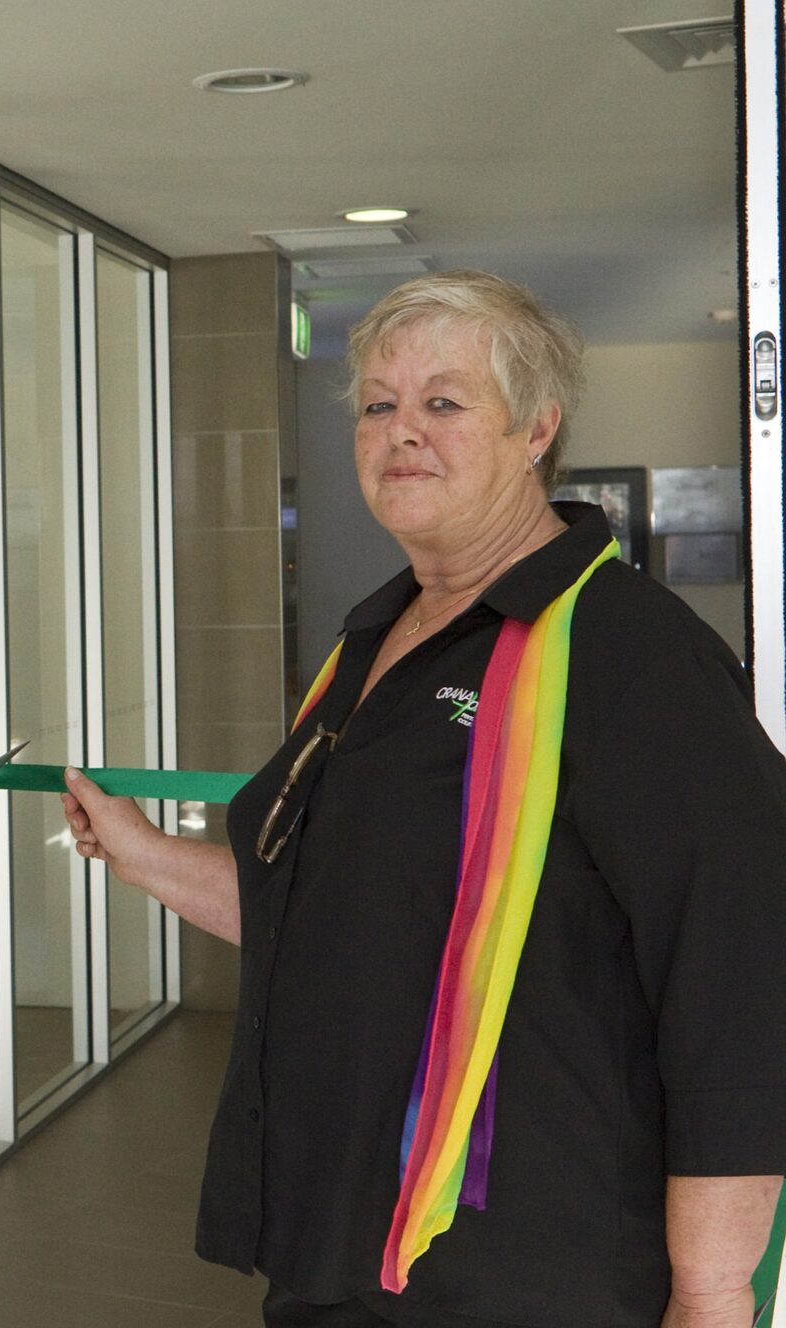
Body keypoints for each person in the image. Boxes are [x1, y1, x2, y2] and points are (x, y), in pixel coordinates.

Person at [62, 270, 786, 1328]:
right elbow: (333, 912)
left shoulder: (633, 655)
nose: (404, 430)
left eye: (445, 402)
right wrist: (144, 856)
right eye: (379, 404)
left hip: (524, 1266)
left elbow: (742, 980)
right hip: (342, 1242)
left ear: (537, 426)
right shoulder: (378, 636)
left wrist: (715, 1292)